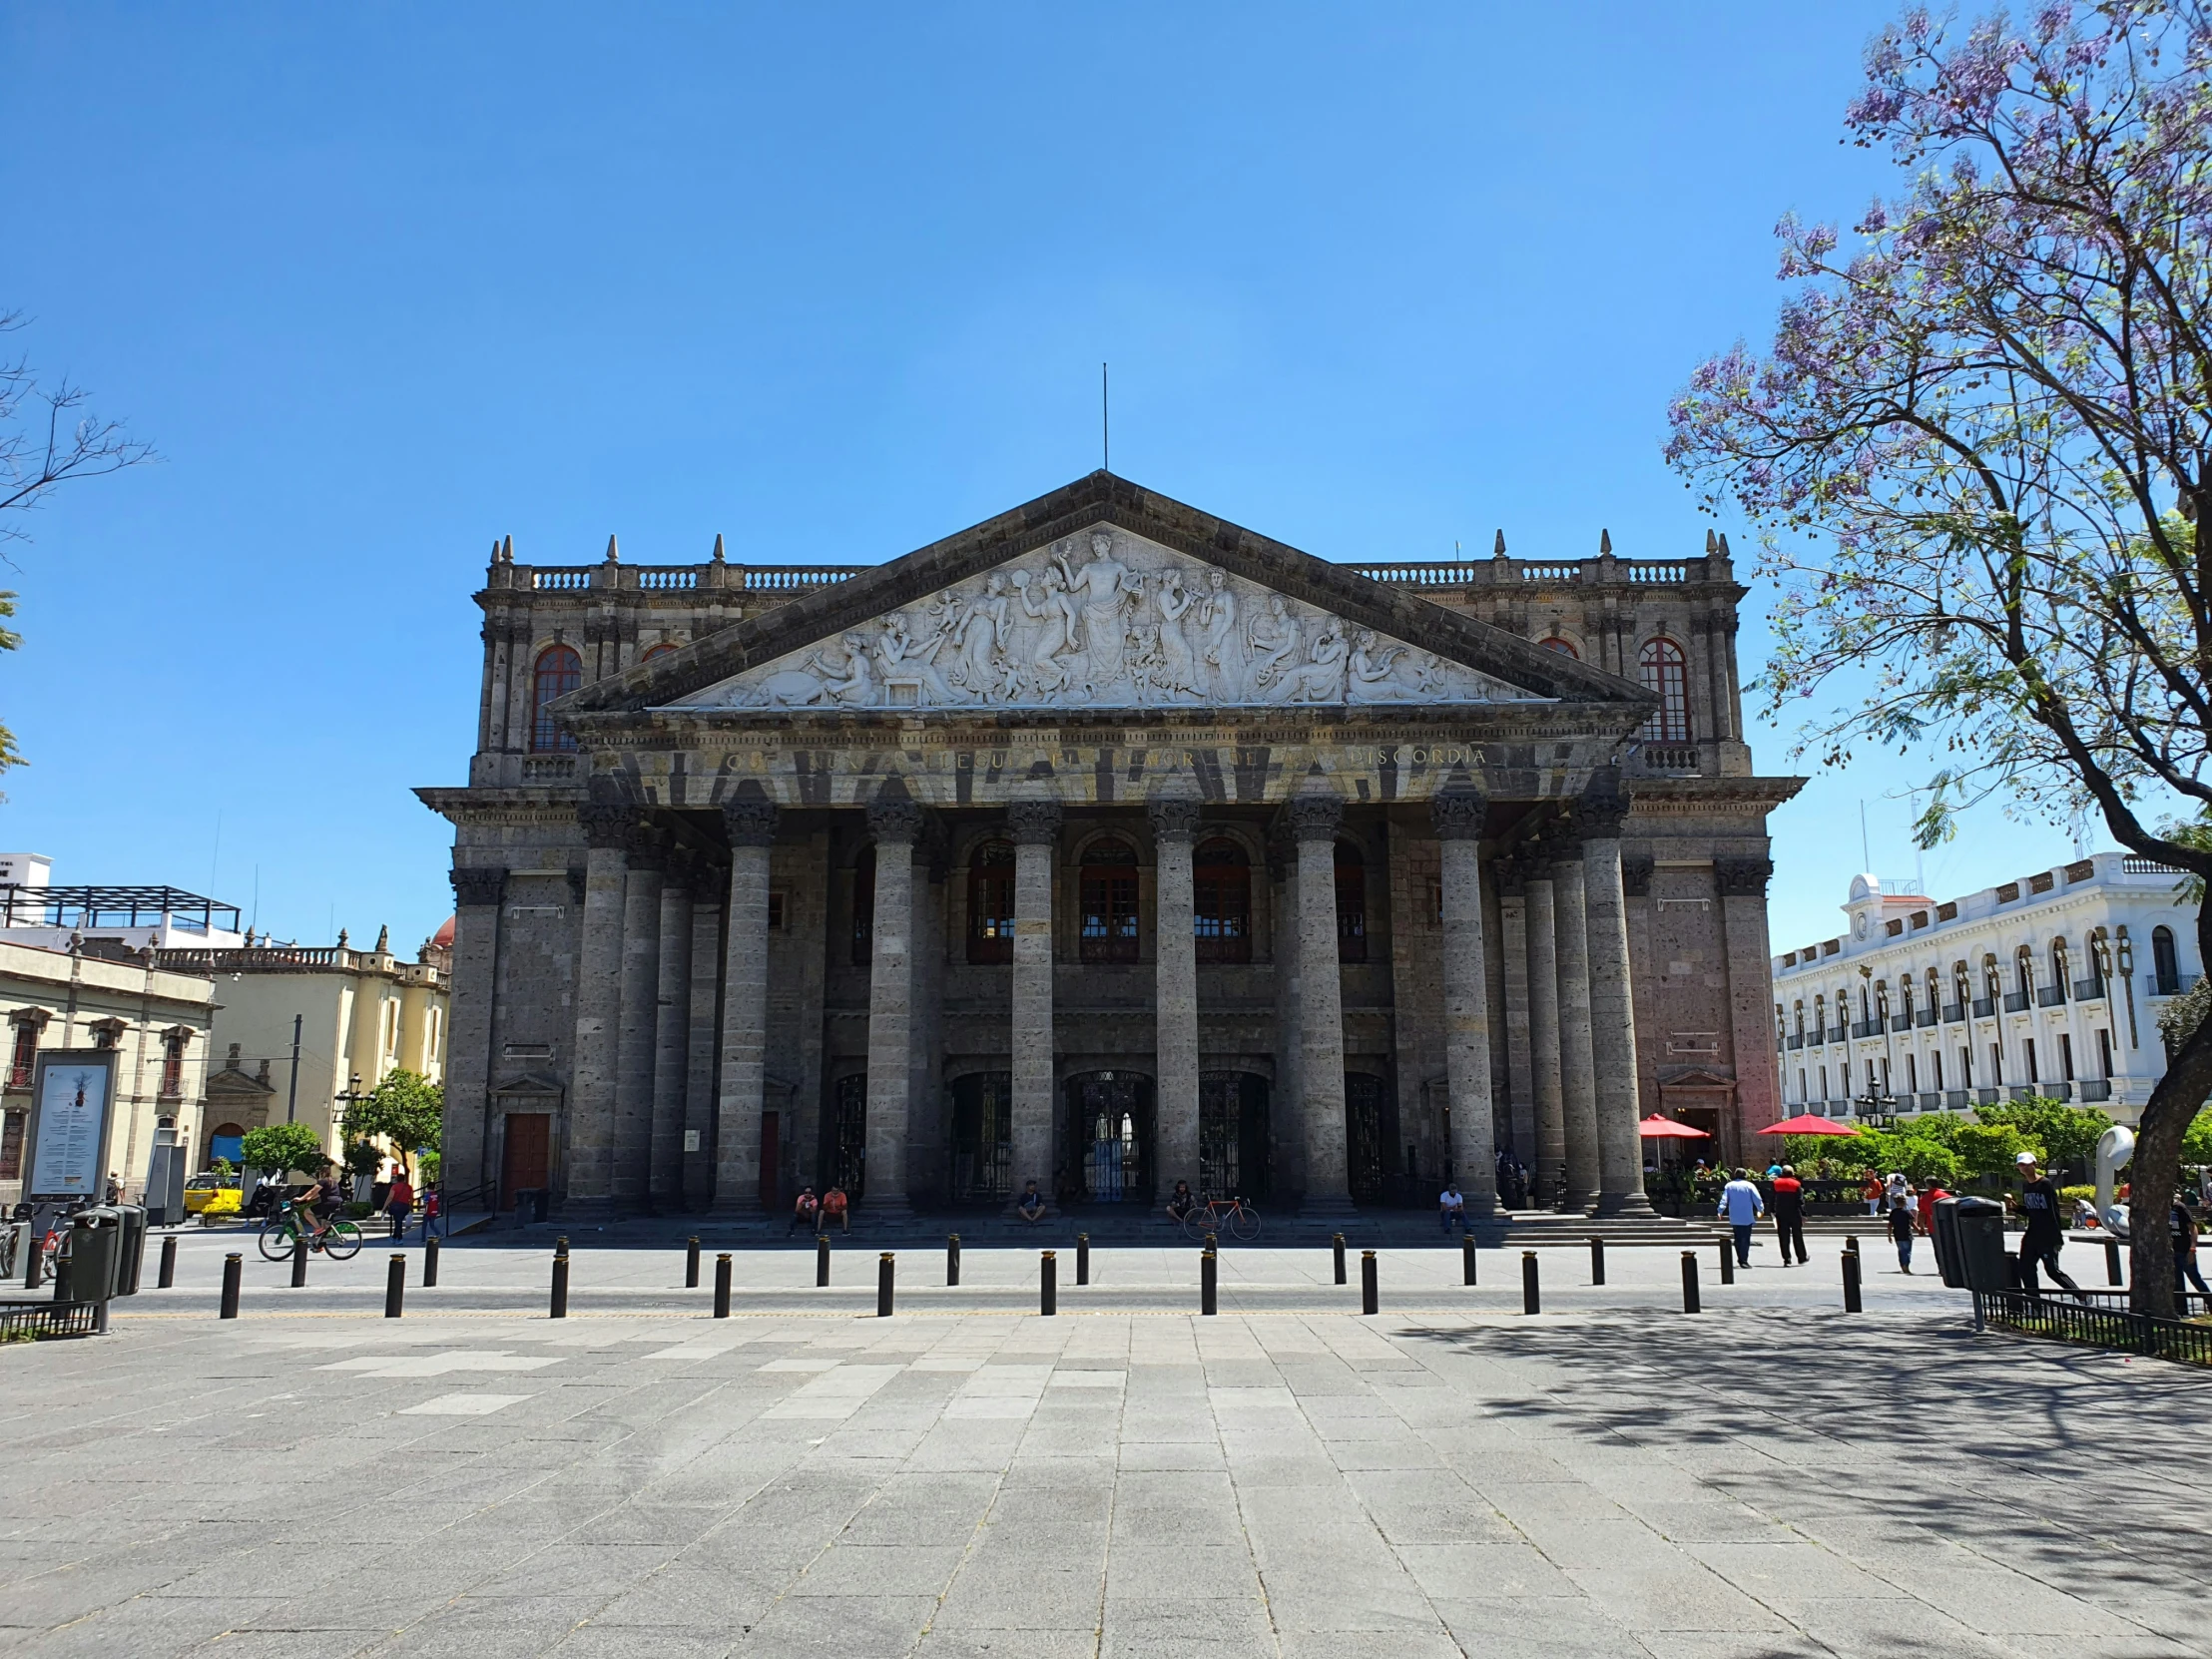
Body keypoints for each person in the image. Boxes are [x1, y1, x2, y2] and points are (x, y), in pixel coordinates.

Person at [2015, 1152, 2084, 1299]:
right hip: (2032, 1234)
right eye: (2021, 1165)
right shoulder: (2026, 1185)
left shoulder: (2045, 1184)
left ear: (2035, 1164)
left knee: (2052, 1271)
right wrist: (2016, 1208)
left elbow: (2053, 1211)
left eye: (2028, 1164)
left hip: (2047, 1235)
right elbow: (2031, 1210)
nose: (2025, 1167)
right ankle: (2035, 1304)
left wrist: (2056, 1238)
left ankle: (2081, 1295)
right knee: (2025, 1268)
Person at [1718, 1168, 1765, 1268]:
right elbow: (1757, 1198)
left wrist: (1720, 1210)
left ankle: (1740, 1257)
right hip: (1747, 1216)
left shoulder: (1729, 1185)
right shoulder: (1749, 1185)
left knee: (1738, 1238)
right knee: (1745, 1238)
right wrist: (1760, 1209)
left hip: (1735, 1216)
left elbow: (1724, 1199)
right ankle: (1743, 1259)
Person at [2172, 1192, 2210, 1297]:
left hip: (2184, 1249)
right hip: (2170, 1251)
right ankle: (2181, 1309)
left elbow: (2193, 1228)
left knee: (2195, 1278)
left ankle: (2210, 1302)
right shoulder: (2159, 1209)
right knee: (2176, 1282)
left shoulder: (2179, 1207)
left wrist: (2192, 1248)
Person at [1770, 1164, 1809, 1266]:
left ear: (1782, 1173)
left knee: (1783, 1237)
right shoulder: (1796, 1184)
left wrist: (1772, 1210)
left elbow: (1772, 1198)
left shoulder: (1776, 1183)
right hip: (1795, 1213)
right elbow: (1800, 1201)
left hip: (1781, 1213)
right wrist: (1803, 1214)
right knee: (1797, 1235)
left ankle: (1787, 1259)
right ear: (1792, 1173)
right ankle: (1801, 1257)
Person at [1888, 1182, 1918, 1273]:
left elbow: (1890, 1224)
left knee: (1901, 1251)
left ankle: (1902, 1264)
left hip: (1897, 1234)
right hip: (1907, 1234)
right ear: (1904, 1201)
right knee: (1907, 1251)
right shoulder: (1907, 1211)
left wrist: (1889, 1235)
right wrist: (1919, 1229)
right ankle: (1906, 1265)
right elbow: (1912, 1223)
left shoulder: (1893, 1212)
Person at [384, 1169, 415, 1239]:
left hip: (396, 1206)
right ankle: (395, 1237)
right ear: (404, 1179)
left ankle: (399, 1238)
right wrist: (411, 1206)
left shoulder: (394, 1187)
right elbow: (411, 1198)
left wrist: (384, 1207)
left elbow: (390, 1197)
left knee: (398, 1222)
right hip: (405, 1207)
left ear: (397, 1179)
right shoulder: (409, 1187)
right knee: (399, 1221)